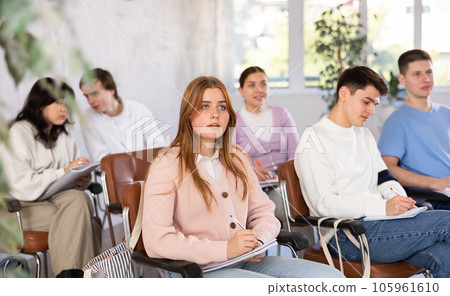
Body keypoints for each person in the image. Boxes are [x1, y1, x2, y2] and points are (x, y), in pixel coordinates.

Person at [141, 76, 343, 278]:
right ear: (188, 115)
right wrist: (225, 250)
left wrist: (259, 241)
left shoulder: (237, 158)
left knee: (332, 278)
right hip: (195, 270)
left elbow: (263, 212)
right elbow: (157, 240)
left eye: (222, 107)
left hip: (243, 261)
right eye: (204, 106)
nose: (215, 115)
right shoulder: (167, 164)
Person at [295, 66, 450, 278]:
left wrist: (398, 199)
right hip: (346, 235)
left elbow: (384, 178)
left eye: (374, 104)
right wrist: (383, 206)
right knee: (446, 222)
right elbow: (325, 204)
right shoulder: (314, 140)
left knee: (444, 254)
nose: (372, 111)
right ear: (344, 94)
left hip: (382, 225)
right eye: (366, 102)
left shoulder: (364, 135)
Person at [0, 78, 101, 277]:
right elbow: (23, 186)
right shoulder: (18, 133)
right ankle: (84, 277)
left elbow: (70, 176)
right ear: (40, 104)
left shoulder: (63, 135)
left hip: (51, 202)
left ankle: (72, 277)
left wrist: (82, 179)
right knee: (81, 218)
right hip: (17, 208)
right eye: (58, 102)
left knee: (80, 199)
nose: (64, 109)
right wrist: (63, 172)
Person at [378, 49, 450, 210]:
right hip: (435, 197)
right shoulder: (397, 121)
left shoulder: (446, 113)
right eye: (417, 74)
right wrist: (437, 183)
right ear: (402, 79)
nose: (426, 79)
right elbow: (386, 167)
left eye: (429, 72)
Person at [235, 66, 300, 229]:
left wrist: (284, 179)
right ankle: (305, 252)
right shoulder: (233, 121)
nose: (259, 90)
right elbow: (232, 161)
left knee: (299, 199)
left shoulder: (282, 114)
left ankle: (307, 251)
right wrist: (252, 174)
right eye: (251, 85)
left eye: (263, 84)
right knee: (292, 204)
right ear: (241, 91)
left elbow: (295, 153)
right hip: (256, 189)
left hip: (286, 183)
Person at [79, 68, 165, 162]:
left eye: (95, 93)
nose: (90, 101)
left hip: (150, 171)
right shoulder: (88, 118)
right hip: (115, 175)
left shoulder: (139, 110)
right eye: (86, 96)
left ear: (111, 90)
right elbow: (101, 160)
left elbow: (158, 148)